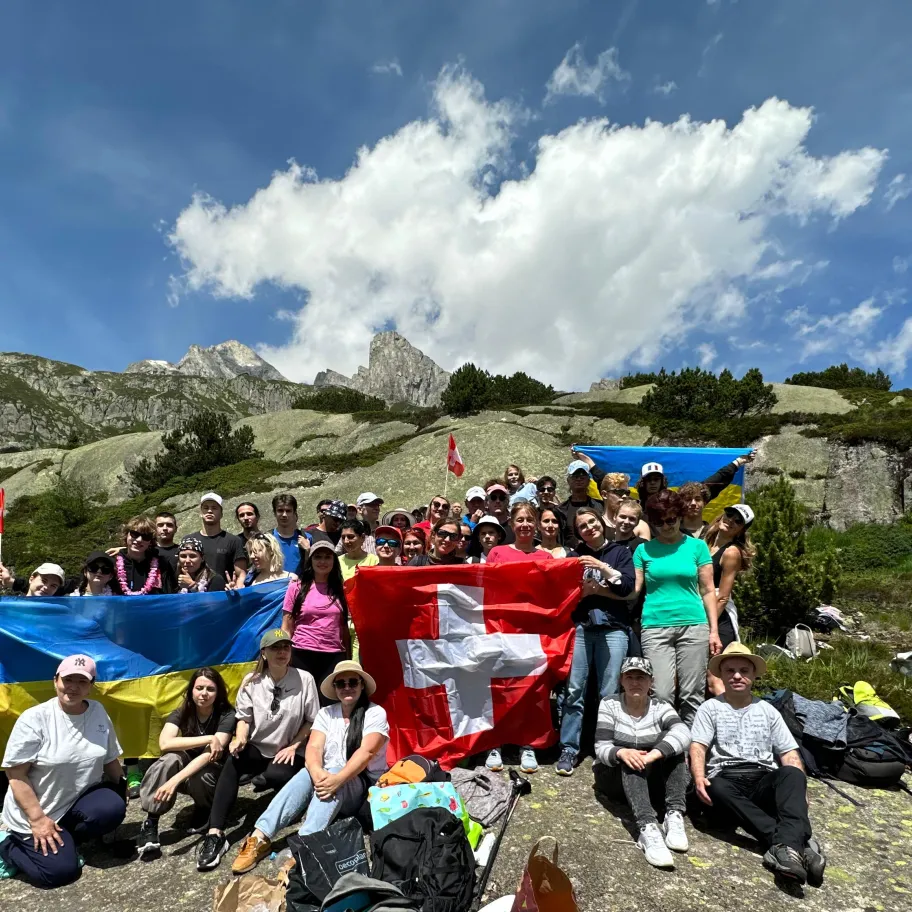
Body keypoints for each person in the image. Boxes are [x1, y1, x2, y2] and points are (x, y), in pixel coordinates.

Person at [231, 661, 389, 874]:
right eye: (341, 683)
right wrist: (317, 773)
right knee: (306, 772)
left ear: (362, 685)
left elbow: (366, 753)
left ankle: (304, 845)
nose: (347, 687)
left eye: (353, 682)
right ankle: (259, 837)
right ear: (335, 689)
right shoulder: (326, 713)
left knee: (330, 772)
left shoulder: (375, 713)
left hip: (361, 788)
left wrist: (337, 779)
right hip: (328, 781)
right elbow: (314, 747)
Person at [690, 643, 826, 887]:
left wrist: (801, 788)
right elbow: (698, 746)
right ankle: (798, 844)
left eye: (744, 670)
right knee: (713, 786)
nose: (737, 676)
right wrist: (699, 777)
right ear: (722, 675)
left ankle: (785, 847)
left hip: (763, 778)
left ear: (754, 675)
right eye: (730, 670)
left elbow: (788, 752)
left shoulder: (768, 710)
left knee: (793, 775)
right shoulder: (709, 708)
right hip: (727, 778)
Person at [198, 629, 320, 871]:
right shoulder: (251, 681)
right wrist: (240, 739)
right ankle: (215, 834)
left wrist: (295, 745)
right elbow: (244, 718)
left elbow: (311, 720)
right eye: (275, 648)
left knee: (277, 776)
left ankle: (282, 801)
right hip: (258, 746)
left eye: (286, 647)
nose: (282, 652)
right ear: (264, 653)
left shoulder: (304, 679)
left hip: (288, 749)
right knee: (234, 759)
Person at [0, 655, 126, 888]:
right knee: (59, 873)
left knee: (113, 807)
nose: (73, 687)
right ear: (55, 681)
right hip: (33, 812)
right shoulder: (34, 719)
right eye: (68, 679)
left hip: (71, 804)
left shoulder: (98, 711)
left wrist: (123, 789)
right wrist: (37, 820)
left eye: (82, 681)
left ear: (91, 687)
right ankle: (8, 845)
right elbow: (15, 775)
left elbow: (109, 759)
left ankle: (63, 839)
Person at [555, 508, 635, 776]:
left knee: (608, 692)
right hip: (581, 628)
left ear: (601, 524)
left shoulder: (621, 552)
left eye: (592, 522)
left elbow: (626, 588)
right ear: (577, 533)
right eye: (582, 526)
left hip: (614, 628)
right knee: (575, 690)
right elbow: (564, 595)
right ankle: (569, 748)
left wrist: (600, 568)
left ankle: (605, 747)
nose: (589, 528)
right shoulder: (573, 557)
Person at [594, 657, 692, 869]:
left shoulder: (661, 706)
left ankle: (674, 813)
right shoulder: (609, 703)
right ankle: (647, 826)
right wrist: (622, 752)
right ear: (621, 680)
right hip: (614, 780)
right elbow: (601, 748)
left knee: (674, 748)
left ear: (651, 682)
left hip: (649, 780)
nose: (635, 682)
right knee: (631, 757)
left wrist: (653, 754)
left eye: (641, 677)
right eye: (629, 677)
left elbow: (684, 733)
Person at [633, 491, 721, 726]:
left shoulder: (697, 547)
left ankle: (691, 750)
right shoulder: (643, 550)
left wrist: (714, 630)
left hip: (694, 625)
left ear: (680, 517)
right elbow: (634, 589)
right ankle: (668, 745)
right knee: (661, 694)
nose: (666, 525)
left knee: (692, 693)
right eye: (659, 521)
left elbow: (708, 590)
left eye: (670, 519)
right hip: (655, 625)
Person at [135, 667, 236, 858]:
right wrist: (208, 738)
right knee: (169, 759)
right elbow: (165, 743)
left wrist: (174, 781)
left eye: (210, 689)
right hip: (187, 763)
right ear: (191, 690)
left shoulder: (227, 714)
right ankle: (151, 821)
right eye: (199, 688)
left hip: (213, 772)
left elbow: (209, 755)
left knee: (202, 773)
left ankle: (205, 809)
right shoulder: (183, 710)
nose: (204, 694)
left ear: (218, 692)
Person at [485, 503, 554, 775]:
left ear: (536, 524)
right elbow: (486, 588)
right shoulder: (497, 552)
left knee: (532, 690)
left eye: (529, 519)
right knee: (499, 689)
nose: (525, 524)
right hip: (502, 629)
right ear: (511, 524)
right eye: (520, 519)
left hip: (534, 633)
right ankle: (496, 742)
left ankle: (528, 744)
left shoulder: (546, 558)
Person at [282, 541, 349, 691]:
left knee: (329, 705)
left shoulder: (342, 590)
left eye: (327, 557)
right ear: (310, 560)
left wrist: (348, 657)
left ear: (334, 561)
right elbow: (286, 626)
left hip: (333, 655)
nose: (322, 561)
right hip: (301, 652)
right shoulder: (296, 588)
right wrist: (285, 655)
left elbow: (344, 628)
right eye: (318, 557)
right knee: (303, 705)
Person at [703, 505, 755, 695]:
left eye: (738, 520)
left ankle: (734, 720)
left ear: (742, 529)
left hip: (718, 618)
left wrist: (708, 626)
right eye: (729, 514)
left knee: (714, 680)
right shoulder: (706, 545)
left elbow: (723, 596)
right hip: (701, 611)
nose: (731, 520)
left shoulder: (731, 552)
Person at [110, 515, 178, 595]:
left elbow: (169, 592)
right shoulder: (112, 564)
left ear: (150, 541)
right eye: (134, 534)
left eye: (146, 536)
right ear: (126, 535)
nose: (139, 540)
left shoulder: (162, 564)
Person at [197, 493, 248, 588]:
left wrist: (238, 587)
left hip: (225, 597)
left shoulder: (233, 540)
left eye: (214, 508)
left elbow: (241, 573)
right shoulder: (190, 540)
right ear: (200, 512)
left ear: (221, 513)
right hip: (196, 597)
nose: (209, 511)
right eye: (205, 507)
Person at [559, 460, 604, 548]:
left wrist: (586, 458)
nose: (579, 479)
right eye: (575, 476)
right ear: (568, 480)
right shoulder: (560, 509)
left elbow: (606, 483)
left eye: (583, 476)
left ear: (588, 480)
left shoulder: (600, 506)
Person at [270, 495, 309, 570]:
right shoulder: (267, 539)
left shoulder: (306, 538)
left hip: (301, 581)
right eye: (280, 510)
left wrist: (308, 551)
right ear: (274, 513)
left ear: (294, 513)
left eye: (288, 511)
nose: (284, 515)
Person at [0, 562, 71, 597]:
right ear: (31, 579)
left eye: (53, 586)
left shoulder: (59, 613)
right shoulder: (12, 606)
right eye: (44, 581)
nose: (46, 587)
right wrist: (8, 581)